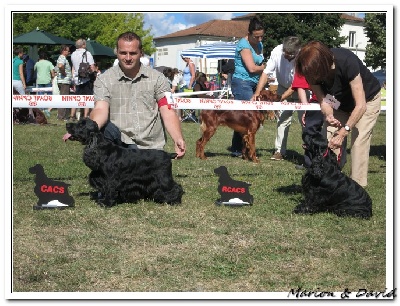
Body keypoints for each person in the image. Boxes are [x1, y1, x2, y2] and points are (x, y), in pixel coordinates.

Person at [295, 40, 381, 187]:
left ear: (322, 66)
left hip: (367, 100)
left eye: (312, 74)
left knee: (359, 142)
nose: (311, 78)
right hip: (340, 102)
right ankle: (330, 181)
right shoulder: (311, 69)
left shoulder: (347, 61)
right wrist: (328, 113)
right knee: (329, 138)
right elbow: (322, 98)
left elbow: (361, 106)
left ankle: (356, 186)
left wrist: (343, 132)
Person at [91, 31, 186, 158]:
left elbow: (167, 109)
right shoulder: (103, 80)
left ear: (141, 53)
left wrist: (177, 138)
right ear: (117, 52)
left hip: (150, 147)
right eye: (123, 53)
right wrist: (89, 130)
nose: (128, 58)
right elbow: (100, 109)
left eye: (133, 53)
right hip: (119, 146)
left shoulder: (158, 78)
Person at [253, 36, 304, 161]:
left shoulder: (302, 56)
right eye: (284, 52)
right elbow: (266, 73)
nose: (286, 55)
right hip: (282, 86)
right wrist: (257, 93)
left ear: (296, 51)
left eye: (289, 54)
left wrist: (281, 98)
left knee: (305, 121)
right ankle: (279, 151)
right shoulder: (277, 51)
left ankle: (309, 152)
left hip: (301, 89)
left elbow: (296, 84)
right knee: (282, 119)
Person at [230, 16, 266, 157]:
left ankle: (239, 148)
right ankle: (242, 149)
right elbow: (251, 68)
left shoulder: (260, 45)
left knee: (245, 117)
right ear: (249, 33)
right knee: (247, 117)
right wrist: (265, 67)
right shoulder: (243, 45)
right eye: (256, 37)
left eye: (261, 36)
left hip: (254, 83)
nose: (259, 40)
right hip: (241, 83)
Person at [71, 38, 95, 120]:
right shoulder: (87, 53)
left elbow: (73, 67)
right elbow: (92, 67)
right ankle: (85, 116)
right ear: (83, 45)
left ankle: (72, 115)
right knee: (87, 98)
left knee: (76, 98)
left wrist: (73, 78)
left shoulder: (73, 54)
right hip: (86, 79)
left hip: (77, 79)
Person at [34, 51, 55, 117]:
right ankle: (48, 108)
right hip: (47, 80)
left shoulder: (37, 63)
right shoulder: (49, 63)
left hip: (40, 81)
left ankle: (41, 108)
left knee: (40, 96)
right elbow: (52, 72)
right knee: (49, 95)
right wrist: (53, 77)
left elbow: (34, 70)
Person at [55, 44, 72, 121]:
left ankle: (62, 115)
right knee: (64, 98)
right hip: (64, 81)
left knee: (63, 98)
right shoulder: (62, 58)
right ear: (63, 51)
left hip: (63, 81)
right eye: (68, 51)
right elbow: (60, 66)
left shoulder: (61, 58)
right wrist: (64, 72)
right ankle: (62, 116)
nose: (69, 52)